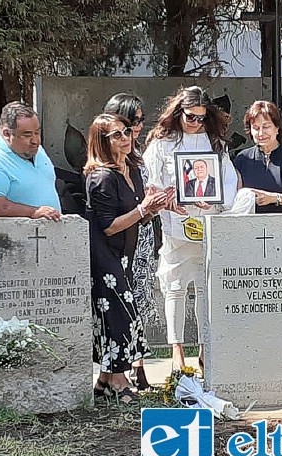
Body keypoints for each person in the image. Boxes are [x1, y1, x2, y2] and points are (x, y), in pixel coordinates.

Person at [144, 86, 239, 370]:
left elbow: (229, 182)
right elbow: (149, 183)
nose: (195, 123)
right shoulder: (162, 144)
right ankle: (176, 352)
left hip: (207, 225)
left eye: (201, 118)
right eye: (190, 117)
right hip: (176, 226)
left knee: (204, 288)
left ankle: (204, 348)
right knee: (175, 287)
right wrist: (166, 199)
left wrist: (216, 200)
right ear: (178, 113)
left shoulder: (215, 145)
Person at [84, 114, 170, 402]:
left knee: (121, 315)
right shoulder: (100, 177)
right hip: (104, 255)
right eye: (117, 135)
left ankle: (104, 382)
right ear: (102, 142)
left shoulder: (131, 169)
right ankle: (119, 381)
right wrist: (144, 210)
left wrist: (157, 207)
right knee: (120, 314)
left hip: (126, 253)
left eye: (127, 133)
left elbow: (139, 214)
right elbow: (108, 225)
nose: (125, 139)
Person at [102, 93, 157, 391]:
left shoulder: (137, 156)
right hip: (121, 240)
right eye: (132, 121)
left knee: (139, 301)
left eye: (140, 121)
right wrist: (143, 208)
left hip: (143, 235)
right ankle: (121, 370)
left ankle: (138, 365)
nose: (137, 127)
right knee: (123, 304)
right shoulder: (107, 163)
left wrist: (159, 203)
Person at [0, 101, 62, 220]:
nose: (35, 140)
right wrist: (34, 212)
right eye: (27, 135)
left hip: (50, 235)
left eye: (37, 132)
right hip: (10, 237)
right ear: (7, 134)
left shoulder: (36, 149)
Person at [233, 100, 282, 213]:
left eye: (266, 127)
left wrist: (274, 198)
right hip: (251, 225)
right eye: (255, 128)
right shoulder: (242, 159)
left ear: (277, 128)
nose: (260, 133)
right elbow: (236, 201)